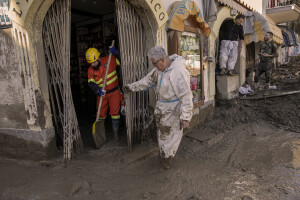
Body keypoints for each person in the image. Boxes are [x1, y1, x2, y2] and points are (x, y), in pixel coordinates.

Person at [123, 46, 193, 169]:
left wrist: (186, 117)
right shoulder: (159, 70)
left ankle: (166, 161)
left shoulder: (178, 72)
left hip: (174, 110)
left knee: (170, 136)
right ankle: (163, 156)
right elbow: (147, 81)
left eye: (155, 63)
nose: (154, 66)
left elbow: (186, 96)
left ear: (162, 60)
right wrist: (131, 87)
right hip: (162, 109)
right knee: (162, 135)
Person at [86, 47, 123, 140]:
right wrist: (97, 90)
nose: (93, 64)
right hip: (102, 94)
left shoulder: (109, 59)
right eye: (91, 63)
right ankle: (101, 135)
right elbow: (91, 82)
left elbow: (122, 61)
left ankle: (116, 134)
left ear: (98, 58)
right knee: (100, 114)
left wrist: (117, 53)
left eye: (94, 62)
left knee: (115, 113)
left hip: (114, 92)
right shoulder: (90, 70)